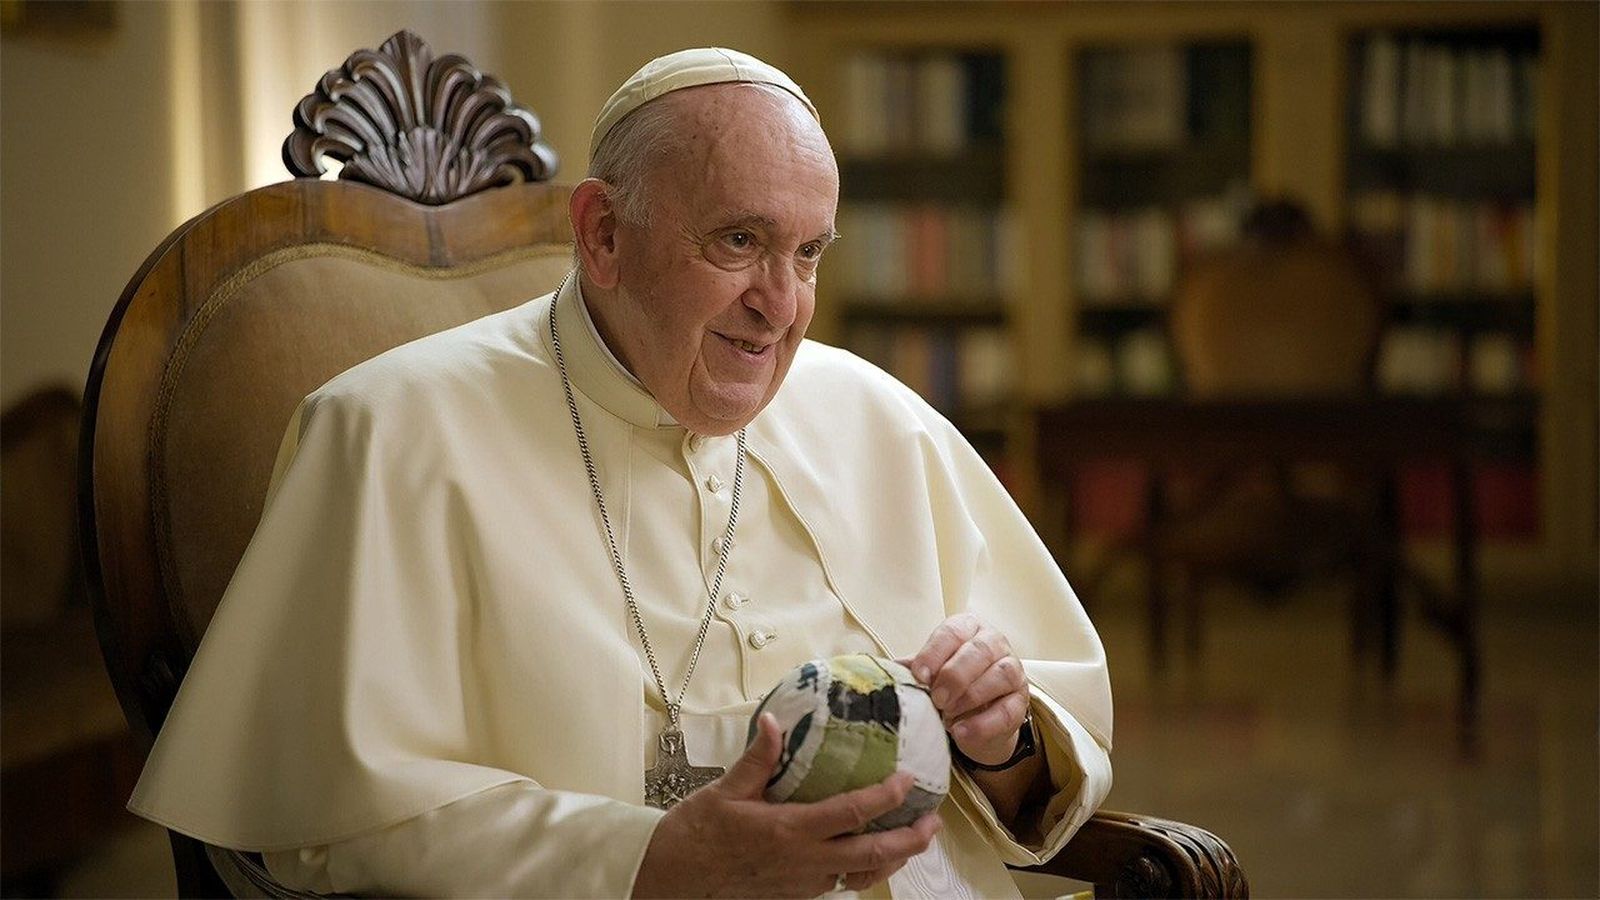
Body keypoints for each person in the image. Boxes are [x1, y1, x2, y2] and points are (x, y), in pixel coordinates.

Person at [128, 48, 1112, 898]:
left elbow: (1037, 754)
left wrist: (1006, 740)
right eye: (740, 240)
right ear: (602, 234)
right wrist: (651, 862)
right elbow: (328, 820)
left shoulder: (871, 414)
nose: (782, 306)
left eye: (808, 253)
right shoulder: (389, 432)